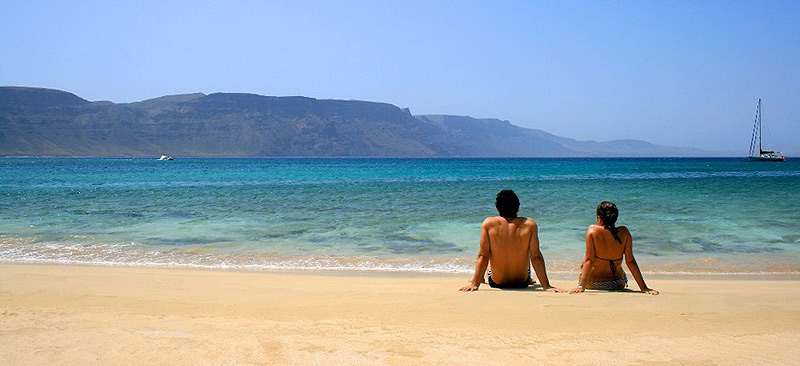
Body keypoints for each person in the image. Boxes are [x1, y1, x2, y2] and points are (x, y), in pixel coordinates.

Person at [460, 189, 560, 292]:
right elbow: (536, 257)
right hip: (522, 283)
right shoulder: (529, 224)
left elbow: (483, 256)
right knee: (528, 251)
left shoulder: (488, 224)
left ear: (497, 208)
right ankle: (529, 278)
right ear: (518, 208)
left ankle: (480, 279)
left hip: (496, 282)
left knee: (489, 254)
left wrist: (474, 284)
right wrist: (546, 286)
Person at [569, 201, 659, 295]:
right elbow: (630, 261)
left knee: (583, 265)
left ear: (599, 218)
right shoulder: (624, 232)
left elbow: (589, 260)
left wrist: (581, 286)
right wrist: (644, 287)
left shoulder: (593, 231)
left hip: (591, 283)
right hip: (616, 283)